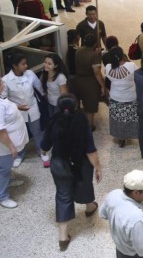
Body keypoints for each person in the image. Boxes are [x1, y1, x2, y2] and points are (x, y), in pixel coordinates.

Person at [41, 94, 101, 251]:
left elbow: (45, 145)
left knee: (63, 194)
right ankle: (89, 207)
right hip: (81, 163)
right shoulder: (82, 122)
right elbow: (90, 150)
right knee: (84, 184)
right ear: (76, 107)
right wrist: (98, 167)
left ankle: (62, 237)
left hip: (59, 164)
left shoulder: (53, 121)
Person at [0, 75, 29, 209]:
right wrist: (11, 146)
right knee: (0, 169)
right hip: (1, 146)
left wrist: (17, 108)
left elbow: (3, 108)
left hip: (3, 146)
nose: (4, 82)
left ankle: (7, 181)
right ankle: (1, 197)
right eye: (1, 81)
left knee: (5, 166)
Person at [100, 169, 143, 258]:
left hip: (121, 250)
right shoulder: (137, 218)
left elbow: (103, 214)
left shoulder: (113, 194)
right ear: (136, 192)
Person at [1, 53, 50, 168]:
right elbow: (3, 99)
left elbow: (40, 88)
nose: (26, 66)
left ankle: (41, 151)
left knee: (37, 131)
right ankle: (19, 155)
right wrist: (17, 107)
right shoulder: (6, 80)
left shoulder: (30, 74)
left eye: (26, 63)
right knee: (18, 134)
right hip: (16, 111)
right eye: (23, 64)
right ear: (14, 66)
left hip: (32, 107)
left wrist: (47, 95)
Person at [106, 46, 139, 148]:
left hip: (115, 97)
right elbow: (138, 75)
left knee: (118, 118)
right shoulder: (131, 66)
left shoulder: (108, 67)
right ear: (122, 56)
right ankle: (128, 134)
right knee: (129, 118)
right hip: (130, 97)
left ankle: (120, 137)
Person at [75, 34, 107, 130]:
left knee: (81, 102)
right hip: (89, 82)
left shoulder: (78, 50)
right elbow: (97, 72)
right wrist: (102, 86)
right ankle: (90, 125)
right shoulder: (94, 55)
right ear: (95, 44)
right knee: (90, 105)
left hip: (78, 79)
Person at [40, 53, 68, 118]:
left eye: (49, 64)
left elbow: (64, 95)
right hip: (50, 103)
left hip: (58, 105)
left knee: (57, 123)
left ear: (55, 66)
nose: (46, 65)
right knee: (52, 121)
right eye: (45, 62)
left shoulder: (61, 77)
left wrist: (65, 109)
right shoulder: (45, 73)